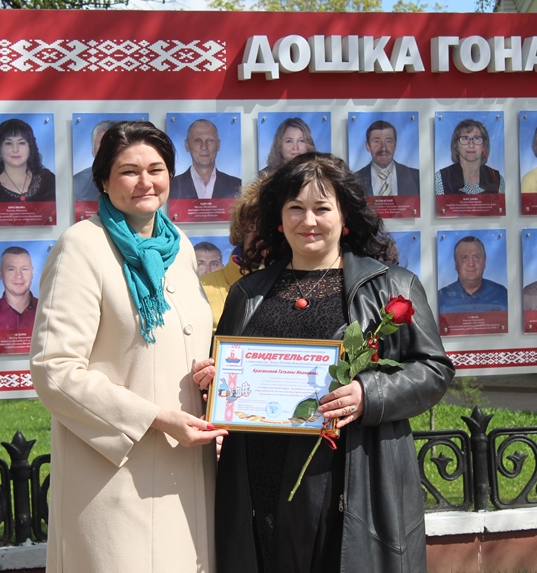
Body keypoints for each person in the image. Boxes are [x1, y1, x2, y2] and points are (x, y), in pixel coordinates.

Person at [193, 152, 454, 572]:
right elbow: (226, 375)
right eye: (295, 208)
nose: (308, 220)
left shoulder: (391, 286)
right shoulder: (248, 293)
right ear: (280, 219)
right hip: (260, 477)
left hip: (351, 477)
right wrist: (211, 380)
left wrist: (369, 393)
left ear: (344, 215)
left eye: (322, 208)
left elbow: (434, 369)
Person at [29, 121, 226, 573]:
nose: (145, 182)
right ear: (103, 180)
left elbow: (182, 339)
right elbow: (54, 369)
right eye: (129, 171)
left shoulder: (178, 247)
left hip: (188, 472)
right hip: (114, 480)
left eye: (156, 169)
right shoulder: (82, 247)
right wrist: (154, 418)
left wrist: (209, 376)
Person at [200, 180, 262, 331]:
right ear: (240, 229)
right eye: (254, 226)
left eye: (274, 227)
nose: (263, 236)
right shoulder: (200, 289)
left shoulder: (299, 287)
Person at [0, 118, 55, 202]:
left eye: (21, 143)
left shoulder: (48, 180)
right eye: (8, 143)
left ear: (30, 147)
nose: (15, 149)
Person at [170, 119, 242, 200]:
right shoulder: (171, 186)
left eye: (210, 140)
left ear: (218, 145)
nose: (204, 147)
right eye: (197, 140)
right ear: (187, 145)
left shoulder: (237, 186)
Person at [438, 236, 508, 314]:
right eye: (464, 258)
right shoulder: (441, 297)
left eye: (476, 257)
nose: (471, 263)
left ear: (484, 261)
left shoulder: (502, 293)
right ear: (456, 263)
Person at [435, 118, 504, 195]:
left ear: (484, 145)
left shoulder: (496, 179)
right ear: (456, 145)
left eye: (476, 138)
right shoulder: (441, 178)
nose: (471, 145)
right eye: (465, 138)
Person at [354, 120, 420, 196]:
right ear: (368, 146)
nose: (383, 148)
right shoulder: (355, 180)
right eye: (377, 141)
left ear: (395, 145)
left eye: (388, 141)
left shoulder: (416, 177)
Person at [0, 246, 37, 331]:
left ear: (32, 272)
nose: (19, 275)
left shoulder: (48, 313)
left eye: (24, 269)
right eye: (11, 269)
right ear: (1, 273)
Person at [73, 119, 116, 201]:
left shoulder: (136, 180)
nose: (107, 149)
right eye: (102, 144)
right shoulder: (76, 183)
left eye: (112, 144)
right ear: (93, 150)